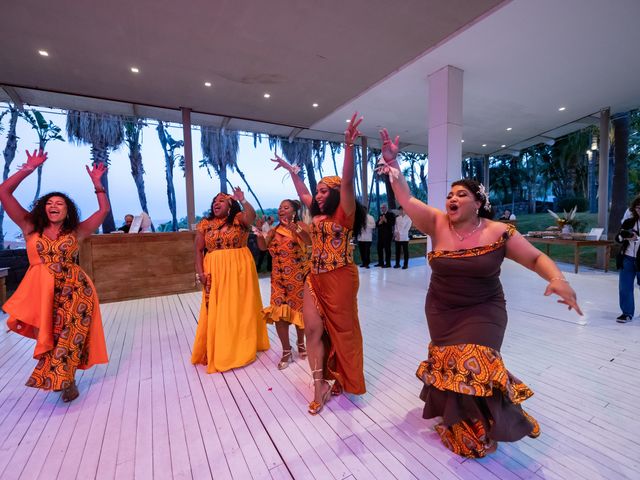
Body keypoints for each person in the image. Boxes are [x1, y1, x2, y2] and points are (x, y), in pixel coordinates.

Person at [377, 129, 583, 458]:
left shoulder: (498, 232)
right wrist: (393, 163)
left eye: (461, 195)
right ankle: (465, 421)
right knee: (453, 363)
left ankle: (491, 420)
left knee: (476, 360)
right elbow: (405, 198)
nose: (452, 200)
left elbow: (536, 257)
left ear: (478, 203)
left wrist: (558, 278)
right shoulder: (436, 222)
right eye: (449, 195)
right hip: (442, 311)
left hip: (485, 310)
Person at [271, 112, 367, 415]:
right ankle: (318, 385)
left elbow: (349, 181)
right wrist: (291, 170)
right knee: (312, 329)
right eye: (318, 190)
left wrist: (349, 147)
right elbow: (301, 192)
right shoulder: (316, 214)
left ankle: (341, 375)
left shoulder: (345, 214)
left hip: (340, 277)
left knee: (342, 332)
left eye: (324, 190)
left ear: (337, 193)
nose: (317, 194)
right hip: (314, 277)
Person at [0, 149, 110, 403]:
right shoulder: (29, 226)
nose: (54, 206)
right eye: (49, 203)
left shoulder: (76, 231)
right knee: (52, 333)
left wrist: (97, 184)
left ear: (67, 210)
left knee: (71, 334)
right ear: (42, 209)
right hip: (44, 291)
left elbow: (103, 211)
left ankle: (66, 379)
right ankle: (63, 377)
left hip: (76, 290)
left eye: (59, 203)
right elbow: (4, 192)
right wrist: (27, 168)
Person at [191, 188, 270, 373]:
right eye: (214, 201)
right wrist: (200, 273)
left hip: (239, 268)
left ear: (230, 205)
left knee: (238, 307)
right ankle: (220, 347)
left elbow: (251, 216)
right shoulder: (205, 224)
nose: (216, 203)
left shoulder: (238, 219)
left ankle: (240, 346)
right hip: (214, 269)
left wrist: (242, 199)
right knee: (218, 309)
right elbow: (198, 250)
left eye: (221, 201)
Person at [256, 199, 311, 369]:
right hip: (278, 279)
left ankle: (301, 343)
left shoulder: (301, 225)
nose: (281, 209)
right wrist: (259, 234)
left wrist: (297, 229)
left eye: (286, 207)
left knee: (299, 313)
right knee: (279, 314)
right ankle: (286, 350)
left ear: (294, 211)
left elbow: (309, 241)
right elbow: (264, 248)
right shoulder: (274, 230)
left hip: (298, 276)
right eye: (280, 207)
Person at [614, 195, 640, 323]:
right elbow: (617, 238)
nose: (639, 210)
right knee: (625, 287)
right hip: (628, 258)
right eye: (638, 207)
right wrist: (626, 237)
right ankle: (627, 313)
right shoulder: (628, 222)